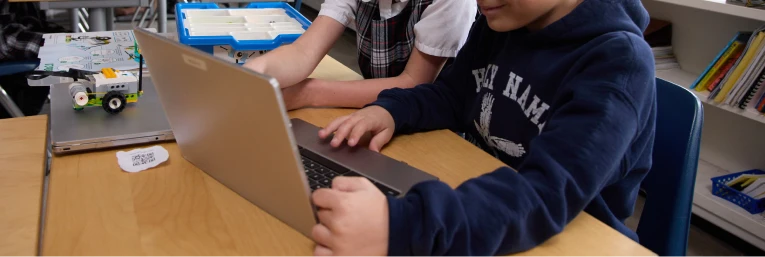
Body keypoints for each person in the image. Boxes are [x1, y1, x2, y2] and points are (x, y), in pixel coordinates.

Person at [309, 0, 657, 256]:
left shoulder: (617, 64)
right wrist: (391, 112)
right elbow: (452, 95)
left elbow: (546, 194)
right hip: (484, 211)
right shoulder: (502, 22)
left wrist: (401, 226)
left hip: (570, 236)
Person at [243, 0, 477, 110]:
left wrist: (307, 93)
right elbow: (303, 51)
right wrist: (259, 70)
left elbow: (413, 84)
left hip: (425, 120)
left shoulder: (453, 3)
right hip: (371, 105)